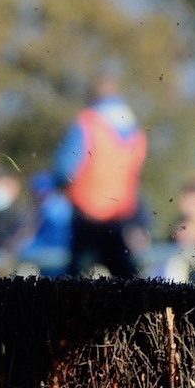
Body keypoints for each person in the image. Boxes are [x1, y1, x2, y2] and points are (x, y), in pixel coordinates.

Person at [55, 78, 147, 280]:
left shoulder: (88, 123)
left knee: (76, 280)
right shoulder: (134, 130)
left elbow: (64, 169)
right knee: (126, 278)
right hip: (122, 215)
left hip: (88, 213)